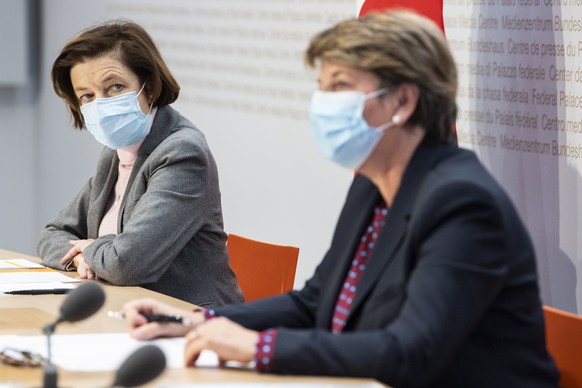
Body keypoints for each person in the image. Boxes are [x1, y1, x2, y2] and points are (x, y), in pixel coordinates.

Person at [122, 10, 559, 387]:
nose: (322, 103)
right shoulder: (374, 182)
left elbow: (412, 352)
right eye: (322, 86)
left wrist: (261, 348)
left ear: (403, 101)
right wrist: (202, 323)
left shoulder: (462, 202)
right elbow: (317, 303)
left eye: (340, 86)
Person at [37, 20, 243, 307]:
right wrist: (81, 259)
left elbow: (126, 263)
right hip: (124, 312)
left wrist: (93, 248)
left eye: (115, 87)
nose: (101, 104)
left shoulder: (182, 153)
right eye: (87, 95)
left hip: (189, 322)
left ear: (149, 86)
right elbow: (52, 234)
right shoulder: (117, 151)